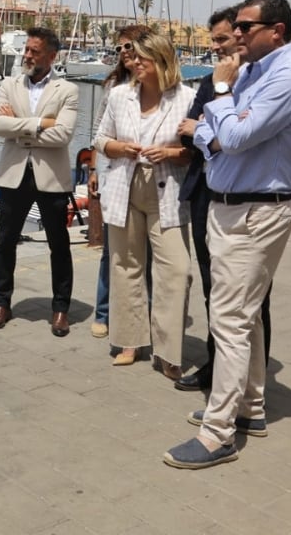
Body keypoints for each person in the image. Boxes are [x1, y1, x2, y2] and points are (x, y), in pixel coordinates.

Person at [163, 0, 291, 469]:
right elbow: (212, 139)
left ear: (277, 30)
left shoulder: (290, 75)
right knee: (243, 316)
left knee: (228, 320)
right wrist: (222, 125)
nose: (236, 36)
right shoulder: (254, 70)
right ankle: (249, 407)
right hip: (231, 207)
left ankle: (218, 435)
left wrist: (223, 95)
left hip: (256, 211)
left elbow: (226, 135)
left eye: (246, 28)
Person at [174, 7, 273, 392]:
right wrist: (208, 130)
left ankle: (250, 379)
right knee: (212, 287)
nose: (214, 47)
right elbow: (186, 133)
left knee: (251, 295)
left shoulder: (258, 81)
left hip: (246, 201)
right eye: (212, 40)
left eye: (221, 39)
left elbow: (237, 140)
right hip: (204, 193)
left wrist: (208, 128)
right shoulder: (211, 80)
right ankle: (217, 365)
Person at [93, 32, 193, 377]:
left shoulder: (187, 98)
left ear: (160, 60)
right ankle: (129, 341)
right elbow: (100, 138)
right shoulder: (120, 95)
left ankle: (168, 350)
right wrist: (120, 148)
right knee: (125, 265)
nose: (133, 63)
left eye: (141, 59)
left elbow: (198, 152)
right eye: (132, 58)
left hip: (167, 190)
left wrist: (169, 153)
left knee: (176, 270)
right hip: (125, 186)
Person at [0, 26, 78, 336]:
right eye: (26, 49)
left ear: (51, 56)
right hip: (13, 176)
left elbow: (63, 135)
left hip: (51, 178)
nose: (26, 55)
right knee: (5, 241)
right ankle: (2, 303)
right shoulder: (9, 85)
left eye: (34, 51)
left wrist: (19, 129)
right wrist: (40, 124)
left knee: (59, 244)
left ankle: (60, 309)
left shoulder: (67, 90)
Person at [88, 24, 151, 339]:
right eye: (120, 48)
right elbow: (98, 130)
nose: (124, 53)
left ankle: (145, 315)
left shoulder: (159, 84)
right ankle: (104, 312)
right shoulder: (113, 86)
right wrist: (94, 170)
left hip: (150, 180)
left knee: (147, 253)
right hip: (115, 172)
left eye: (130, 46)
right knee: (111, 249)